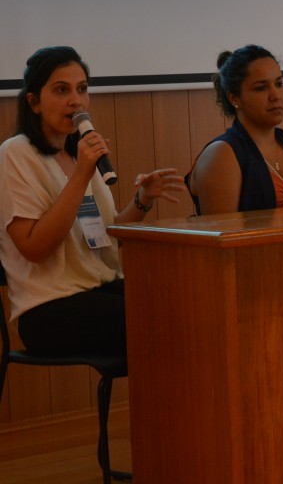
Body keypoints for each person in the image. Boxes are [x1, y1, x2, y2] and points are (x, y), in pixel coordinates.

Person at [0, 46, 185, 355]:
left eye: (82, 89)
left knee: (184, 304)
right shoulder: (15, 154)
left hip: (100, 288)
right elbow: (34, 248)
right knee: (164, 321)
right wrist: (82, 175)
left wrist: (142, 199)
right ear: (33, 102)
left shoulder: (79, 155)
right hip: (47, 307)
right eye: (62, 90)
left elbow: (106, 237)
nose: (76, 100)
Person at [187, 44, 283, 215]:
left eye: (279, 84)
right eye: (261, 88)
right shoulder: (221, 154)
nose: (276, 95)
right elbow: (223, 236)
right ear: (234, 98)